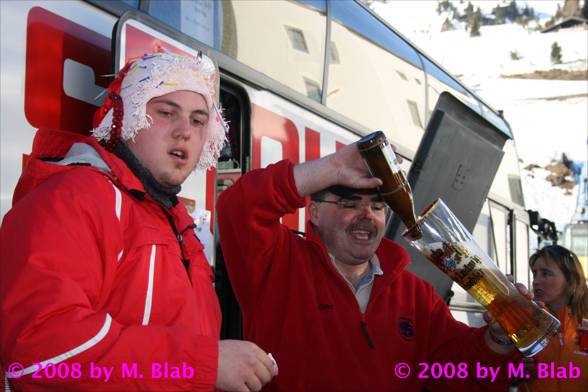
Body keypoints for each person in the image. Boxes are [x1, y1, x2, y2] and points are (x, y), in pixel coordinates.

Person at [0, 52, 276, 391]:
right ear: (127, 115)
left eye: (198, 120)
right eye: (166, 112)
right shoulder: (75, 197)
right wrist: (199, 365)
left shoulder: (181, 230)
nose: (184, 132)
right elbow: (40, 356)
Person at [216, 143, 526, 391]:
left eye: (378, 206)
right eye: (349, 204)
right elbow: (238, 207)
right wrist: (332, 167)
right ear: (315, 214)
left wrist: (497, 339)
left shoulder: (415, 294)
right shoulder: (277, 263)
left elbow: (458, 374)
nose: (367, 214)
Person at [518, 245, 588, 392]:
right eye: (535, 273)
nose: (536, 281)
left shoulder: (585, 322)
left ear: (570, 279)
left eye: (545, 273)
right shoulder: (525, 321)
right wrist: (515, 369)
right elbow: (499, 371)